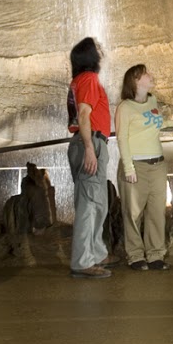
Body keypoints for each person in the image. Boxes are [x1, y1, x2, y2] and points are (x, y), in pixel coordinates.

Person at [67, 36, 112, 278]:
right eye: (98, 48)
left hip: (87, 141)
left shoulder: (78, 81)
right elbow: (84, 115)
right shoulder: (89, 79)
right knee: (89, 204)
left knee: (96, 201)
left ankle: (96, 253)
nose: (102, 51)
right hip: (90, 141)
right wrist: (89, 149)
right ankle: (83, 261)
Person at [115, 64, 169, 270]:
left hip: (158, 164)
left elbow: (156, 123)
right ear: (136, 81)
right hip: (136, 165)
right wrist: (128, 168)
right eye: (146, 74)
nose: (150, 75)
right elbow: (122, 138)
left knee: (157, 211)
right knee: (133, 212)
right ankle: (135, 255)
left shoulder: (152, 100)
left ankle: (156, 254)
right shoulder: (125, 107)